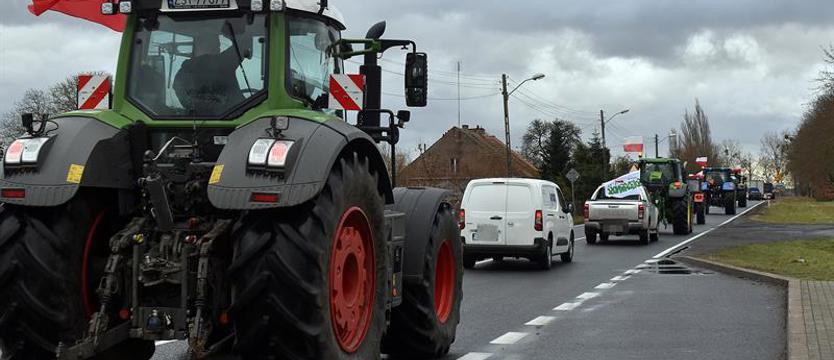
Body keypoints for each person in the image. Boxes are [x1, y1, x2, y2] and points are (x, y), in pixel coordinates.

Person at [173, 26, 249, 116]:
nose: (218, 49)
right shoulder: (221, 63)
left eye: (218, 45)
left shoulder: (181, 74)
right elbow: (242, 45)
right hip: (233, 118)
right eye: (215, 45)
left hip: (196, 122)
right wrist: (232, 33)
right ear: (200, 46)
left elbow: (186, 101)